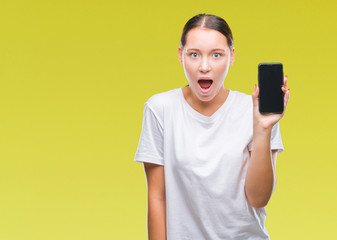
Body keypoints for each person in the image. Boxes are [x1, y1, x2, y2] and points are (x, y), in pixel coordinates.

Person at [134, 13, 290, 240]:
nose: (204, 66)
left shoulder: (254, 110)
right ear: (181, 55)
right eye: (194, 55)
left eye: (216, 55)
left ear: (231, 56)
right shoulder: (160, 109)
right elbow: (157, 197)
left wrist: (263, 128)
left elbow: (258, 199)